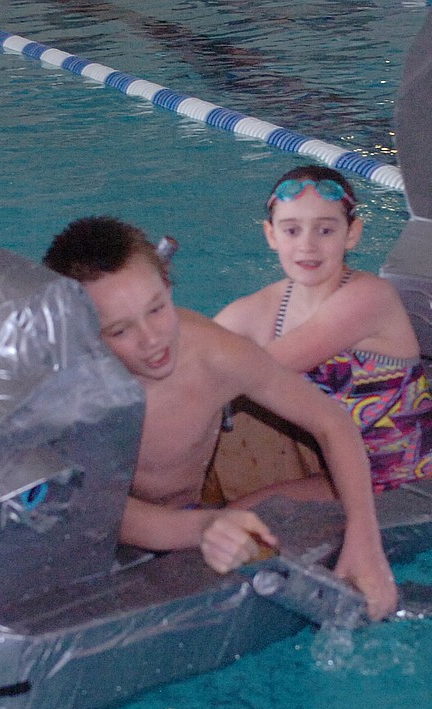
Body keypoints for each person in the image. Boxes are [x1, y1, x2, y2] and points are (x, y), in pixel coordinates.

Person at [43, 216, 398, 621]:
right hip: (88, 547)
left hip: (189, 521)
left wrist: (365, 544)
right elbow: (87, 510)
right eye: (119, 331)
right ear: (81, 333)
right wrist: (202, 527)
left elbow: (331, 422)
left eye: (157, 309)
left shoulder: (215, 356)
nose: (152, 339)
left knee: (359, 501)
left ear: (169, 285)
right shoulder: (63, 392)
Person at [215, 165, 432, 494]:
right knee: (241, 517)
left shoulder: (369, 297)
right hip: (348, 484)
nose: (308, 246)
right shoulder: (259, 310)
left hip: (428, 482)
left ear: (352, 234)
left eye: (325, 231)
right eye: (292, 231)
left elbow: (256, 371)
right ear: (271, 235)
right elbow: (194, 352)